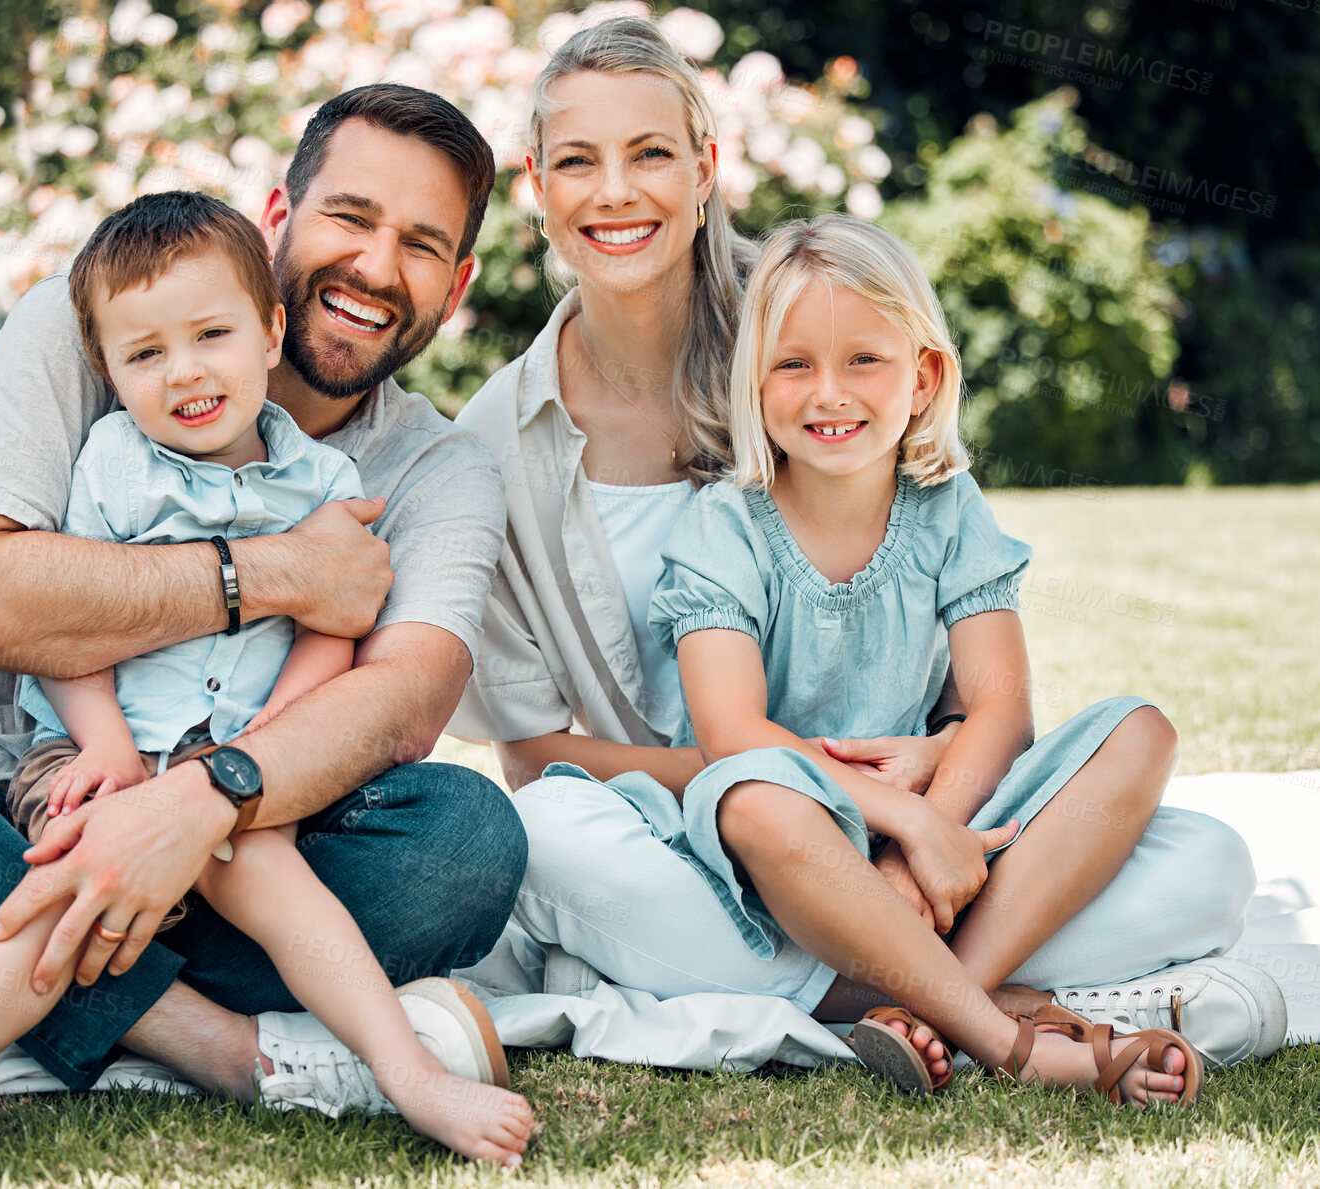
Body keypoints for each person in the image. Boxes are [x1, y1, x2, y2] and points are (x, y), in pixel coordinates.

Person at [0, 83, 529, 1145]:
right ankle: (203, 1038)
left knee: (464, 842)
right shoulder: (97, 320)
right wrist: (267, 574)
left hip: (230, 831)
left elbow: (403, 700)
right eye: (350, 217)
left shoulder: (435, 464)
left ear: (454, 287)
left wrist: (203, 799)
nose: (373, 265)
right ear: (279, 220)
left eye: (419, 244)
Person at [451, 17, 1281, 1074]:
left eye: (651, 152)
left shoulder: (816, 310)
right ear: (536, 182)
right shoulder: (492, 445)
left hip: (922, 823)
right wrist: (837, 795)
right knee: (553, 843)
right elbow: (537, 760)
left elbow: (969, 669)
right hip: (699, 832)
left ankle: (900, 996)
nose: (616, 191)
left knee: (1206, 861)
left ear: (705, 169)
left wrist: (927, 789)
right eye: (578, 161)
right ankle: (977, 997)